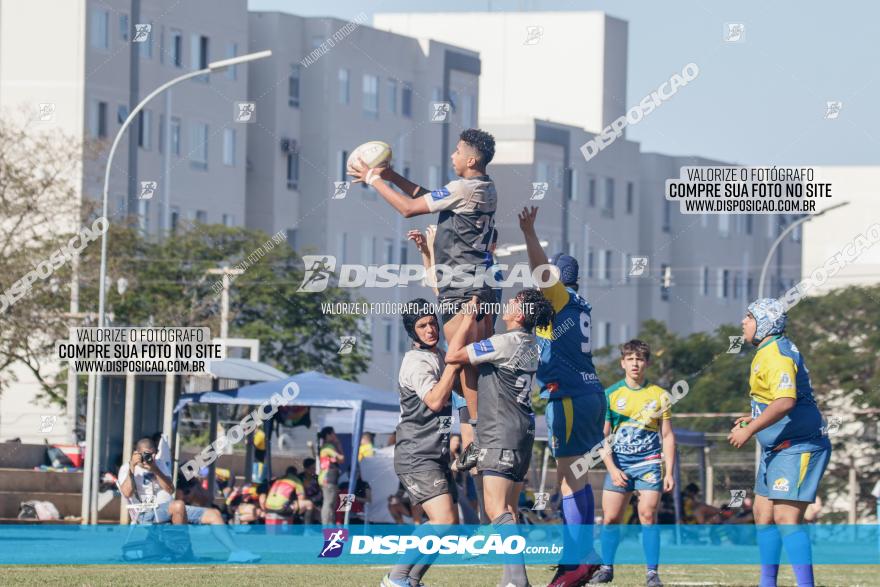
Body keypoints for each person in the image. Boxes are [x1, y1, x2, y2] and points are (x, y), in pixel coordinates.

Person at [351, 129, 498, 465]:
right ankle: (478, 436)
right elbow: (430, 197)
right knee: (469, 364)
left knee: (461, 362)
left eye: (458, 151)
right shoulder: (484, 187)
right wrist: (393, 175)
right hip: (478, 284)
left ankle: (478, 438)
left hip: (461, 288)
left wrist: (375, 179)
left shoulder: (463, 188)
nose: (453, 156)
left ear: (472, 159)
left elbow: (408, 208)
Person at [519, 206, 607, 586]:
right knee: (575, 477)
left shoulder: (559, 298)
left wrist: (528, 232)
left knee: (570, 478)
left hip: (568, 396)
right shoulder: (578, 304)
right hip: (589, 392)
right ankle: (582, 556)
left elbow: (539, 270)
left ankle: (579, 560)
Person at [446, 289, 555, 587]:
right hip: (523, 432)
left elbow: (453, 356)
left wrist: (468, 318)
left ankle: (518, 581)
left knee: (496, 510)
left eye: (514, 302)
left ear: (519, 314)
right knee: (509, 510)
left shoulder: (505, 342)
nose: (507, 304)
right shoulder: (532, 343)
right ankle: (510, 579)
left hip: (501, 432)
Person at [727, 298, 831, 587]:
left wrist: (750, 431)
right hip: (777, 447)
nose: (743, 322)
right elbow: (776, 399)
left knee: (786, 518)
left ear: (764, 322)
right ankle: (767, 582)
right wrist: (752, 417)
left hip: (798, 446)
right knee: (763, 515)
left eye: (749, 317)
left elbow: (786, 401)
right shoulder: (767, 350)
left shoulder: (776, 354)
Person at [382, 299, 461, 587]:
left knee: (450, 527)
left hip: (434, 453)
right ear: (412, 332)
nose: (430, 329)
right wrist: (454, 363)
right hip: (416, 454)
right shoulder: (416, 362)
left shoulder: (438, 355)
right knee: (444, 521)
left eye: (432, 323)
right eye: (422, 325)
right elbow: (436, 401)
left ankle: (410, 580)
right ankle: (395, 578)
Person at [593, 340, 676, 587]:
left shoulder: (660, 395)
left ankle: (652, 573)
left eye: (639, 359)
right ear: (622, 363)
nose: (635, 364)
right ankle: (606, 568)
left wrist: (668, 471)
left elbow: (668, 435)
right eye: (630, 359)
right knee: (610, 519)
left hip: (649, 464)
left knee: (648, 515)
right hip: (619, 464)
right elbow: (602, 436)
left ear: (647, 363)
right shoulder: (610, 394)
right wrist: (612, 468)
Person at [118, 437, 259, 562]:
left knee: (214, 514)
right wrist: (132, 467)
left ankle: (236, 552)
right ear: (136, 453)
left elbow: (170, 489)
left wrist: (155, 469)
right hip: (146, 513)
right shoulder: (127, 468)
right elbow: (127, 492)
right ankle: (182, 553)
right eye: (146, 454)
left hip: (168, 508)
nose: (150, 457)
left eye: (153, 453)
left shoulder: (158, 465)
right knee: (178, 505)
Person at [317, 426, 345, 525]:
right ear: (328, 435)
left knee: (331, 504)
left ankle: (329, 526)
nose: (335, 435)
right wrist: (338, 444)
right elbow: (341, 458)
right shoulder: (328, 447)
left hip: (329, 478)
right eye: (333, 433)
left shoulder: (327, 446)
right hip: (328, 478)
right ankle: (326, 526)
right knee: (328, 504)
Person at [299, 457, 321, 524]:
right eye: (312, 468)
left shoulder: (317, 478)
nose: (314, 470)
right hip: (304, 501)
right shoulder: (300, 478)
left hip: (317, 502)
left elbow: (320, 492)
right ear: (306, 468)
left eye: (314, 468)